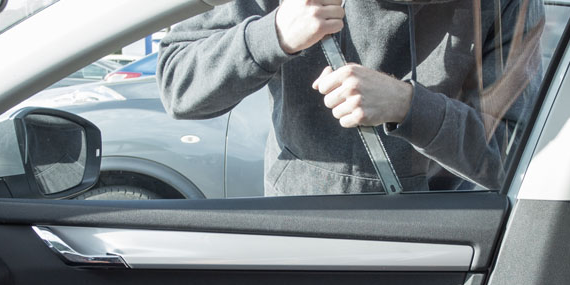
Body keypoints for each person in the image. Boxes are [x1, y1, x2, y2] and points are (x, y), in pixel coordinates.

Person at [158, 0, 544, 196]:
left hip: (439, 238)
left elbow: (514, 158)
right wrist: (271, 35)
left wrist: (408, 106)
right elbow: (179, 85)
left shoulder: (504, 5)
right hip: (302, 227)